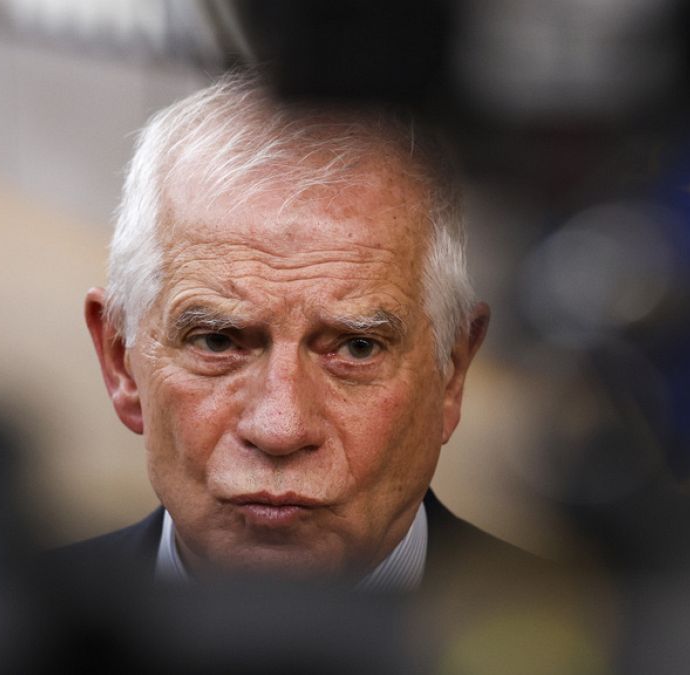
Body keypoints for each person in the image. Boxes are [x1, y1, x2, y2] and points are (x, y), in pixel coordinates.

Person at [50, 70, 531, 593]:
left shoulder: (591, 635)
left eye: (357, 348)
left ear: (451, 373)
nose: (280, 428)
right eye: (218, 342)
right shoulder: (4, 633)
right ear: (121, 360)